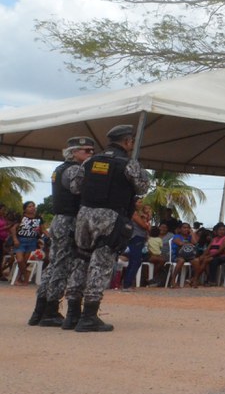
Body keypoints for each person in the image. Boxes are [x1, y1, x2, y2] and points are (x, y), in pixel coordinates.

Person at [73, 124, 151, 332]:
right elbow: (143, 187)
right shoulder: (128, 163)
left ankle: (72, 314)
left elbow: (75, 187)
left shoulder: (90, 160)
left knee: (81, 261)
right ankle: (88, 316)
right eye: (131, 141)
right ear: (126, 142)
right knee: (101, 264)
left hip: (84, 214)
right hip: (109, 217)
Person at [28, 135, 94, 327]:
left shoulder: (59, 169)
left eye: (91, 150)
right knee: (62, 266)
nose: (91, 154)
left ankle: (39, 310)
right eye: (86, 151)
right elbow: (79, 191)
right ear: (74, 152)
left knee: (54, 264)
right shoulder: (75, 170)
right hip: (69, 220)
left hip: (59, 220)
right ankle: (50, 312)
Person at [121, 200, 151, 291]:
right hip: (136, 237)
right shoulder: (134, 214)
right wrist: (146, 223)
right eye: (139, 202)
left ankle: (128, 283)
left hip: (139, 238)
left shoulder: (137, 214)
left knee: (135, 261)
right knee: (135, 261)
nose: (141, 204)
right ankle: (127, 284)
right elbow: (144, 226)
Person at [12, 200, 43, 285]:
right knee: (20, 260)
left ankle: (19, 279)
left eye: (33, 206)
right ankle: (26, 274)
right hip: (20, 240)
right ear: (25, 209)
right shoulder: (21, 217)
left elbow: (42, 230)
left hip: (32, 241)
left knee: (24, 261)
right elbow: (13, 228)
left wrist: (46, 235)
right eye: (29, 206)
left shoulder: (38, 218)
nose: (32, 208)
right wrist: (15, 239)